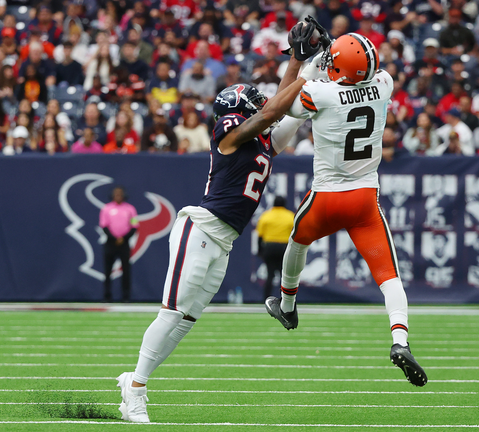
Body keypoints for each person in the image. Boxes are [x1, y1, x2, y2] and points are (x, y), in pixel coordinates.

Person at [116, 20, 326, 423]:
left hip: (224, 240)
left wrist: (301, 63)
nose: (262, 102)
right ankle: (137, 389)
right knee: (171, 312)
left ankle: (135, 381)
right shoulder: (229, 132)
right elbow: (272, 112)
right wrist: (309, 73)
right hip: (200, 227)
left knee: (185, 322)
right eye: (255, 101)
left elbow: (285, 116)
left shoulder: (262, 138)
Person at [265, 33, 428, 388]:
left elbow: (283, 106)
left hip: (327, 197)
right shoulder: (384, 84)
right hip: (365, 200)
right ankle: (400, 340)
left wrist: (311, 64)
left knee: (296, 240)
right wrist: (334, 61)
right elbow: (360, 76)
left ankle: (288, 307)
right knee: (389, 277)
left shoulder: (320, 93)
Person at [99, 186, 139, 303]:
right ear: (112, 195)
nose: (118, 196)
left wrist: (124, 238)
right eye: (116, 194)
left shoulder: (130, 209)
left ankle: (126, 296)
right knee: (107, 271)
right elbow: (104, 225)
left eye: (120, 194)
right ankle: (107, 296)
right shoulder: (106, 208)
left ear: (124, 195)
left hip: (124, 244)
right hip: (110, 243)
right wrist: (114, 238)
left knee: (126, 270)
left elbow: (134, 225)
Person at [256, 196, 295, 302]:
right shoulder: (290, 216)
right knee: (284, 275)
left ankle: (266, 299)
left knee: (270, 275)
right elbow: (295, 234)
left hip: (269, 247)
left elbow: (260, 236)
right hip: (284, 247)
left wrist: (260, 250)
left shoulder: (266, 216)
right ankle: (285, 299)